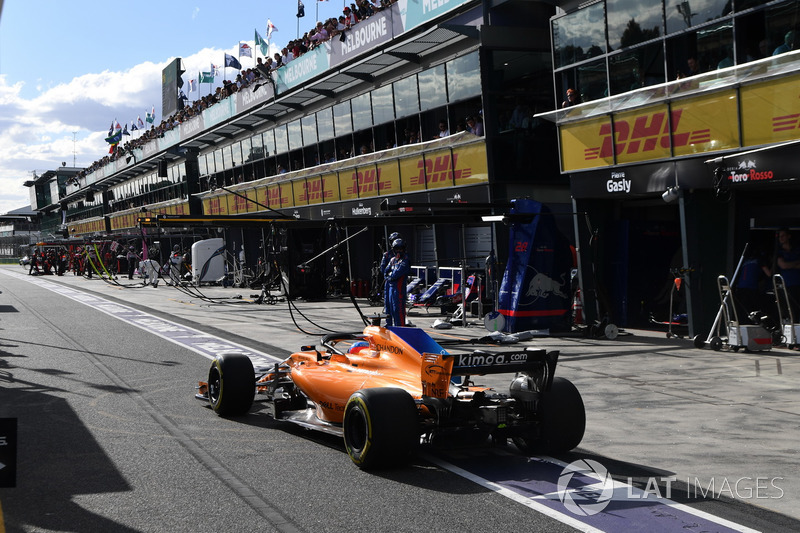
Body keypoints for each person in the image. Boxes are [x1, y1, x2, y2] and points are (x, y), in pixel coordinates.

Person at [383, 238, 411, 327]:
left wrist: (390, 275)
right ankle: (390, 327)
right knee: (389, 308)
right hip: (391, 287)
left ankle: (400, 329)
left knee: (398, 310)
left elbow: (396, 274)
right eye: (397, 249)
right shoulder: (392, 260)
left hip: (399, 289)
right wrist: (390, 276)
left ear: (404, 249)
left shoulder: (405, 260)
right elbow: (385, 272)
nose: (399, 251)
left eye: (400, 249)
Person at [776, 228, 800, 318]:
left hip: (797, 283)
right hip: (786, 284)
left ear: (788, 236)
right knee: (789, 310)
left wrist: (790, 265)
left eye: (783, 236)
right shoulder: (779, 252)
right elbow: (783, 265)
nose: (781, 238)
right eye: (779, 236)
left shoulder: (797, 250)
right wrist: (796, 263)